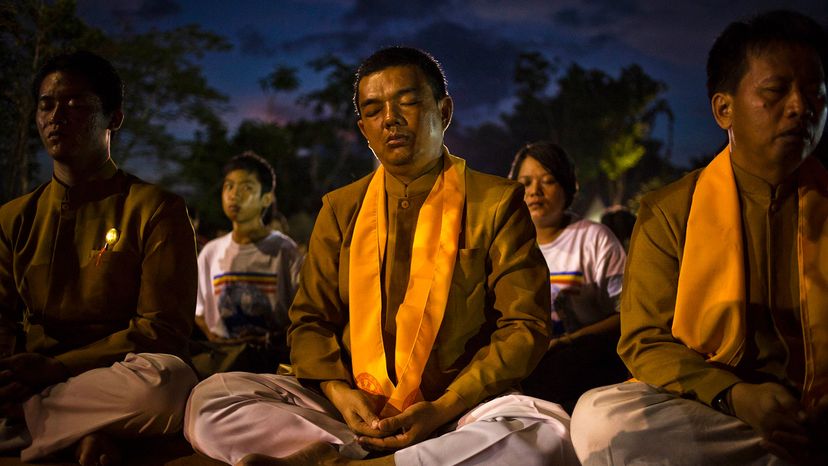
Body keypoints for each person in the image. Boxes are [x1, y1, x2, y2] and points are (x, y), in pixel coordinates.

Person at [184, 46, 578, 466]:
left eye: (407, 102)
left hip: (460, 410)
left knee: (543, 432)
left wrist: (445, 407)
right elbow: (310, 321)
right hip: (351, 411)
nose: (390, 118)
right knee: (210, 400)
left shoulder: (496, 202)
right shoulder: (340, 208)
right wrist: (339, 391)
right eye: (374, 110)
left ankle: (347, 461)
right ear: (364, 129)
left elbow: (524, 326)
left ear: (444, 112)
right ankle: (375, 454)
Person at [571, 10, 828, 465]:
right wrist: (736, 396)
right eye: (776, 91)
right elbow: (644, 339)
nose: (799, 107)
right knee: (601, 418)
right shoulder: (671, 210)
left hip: (815, 408)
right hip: (717, 406)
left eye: (814, 94)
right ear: (723, 108)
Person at [0, 51, 198, 465]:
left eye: (77, 105)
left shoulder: (155, 208)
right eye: (47, 104)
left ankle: (26, 425)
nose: (58, 116)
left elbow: (162, 331)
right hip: (30, 380)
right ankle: (81, 434)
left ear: (114, 119)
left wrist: (56, 369)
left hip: (117, 376)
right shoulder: (13, 217)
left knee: (168, 384)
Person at [508, 141, 628, 412]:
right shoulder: (507, 247)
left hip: (587, 371)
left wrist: (569, 342)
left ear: (566, 185)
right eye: (525, 183)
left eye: (547, 181)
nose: (534, 191)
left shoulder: (593, 238)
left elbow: (629, 312)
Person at [192, 151, 303, 377]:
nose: (234, 195)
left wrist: (272, 338)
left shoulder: (284, 251)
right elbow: (199, 310)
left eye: (246, 188)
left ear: (266, 198)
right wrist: (214, 337)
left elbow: (303, 313)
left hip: (271, 361)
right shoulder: (210, 253)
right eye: (229, 186)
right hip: (223, 361)